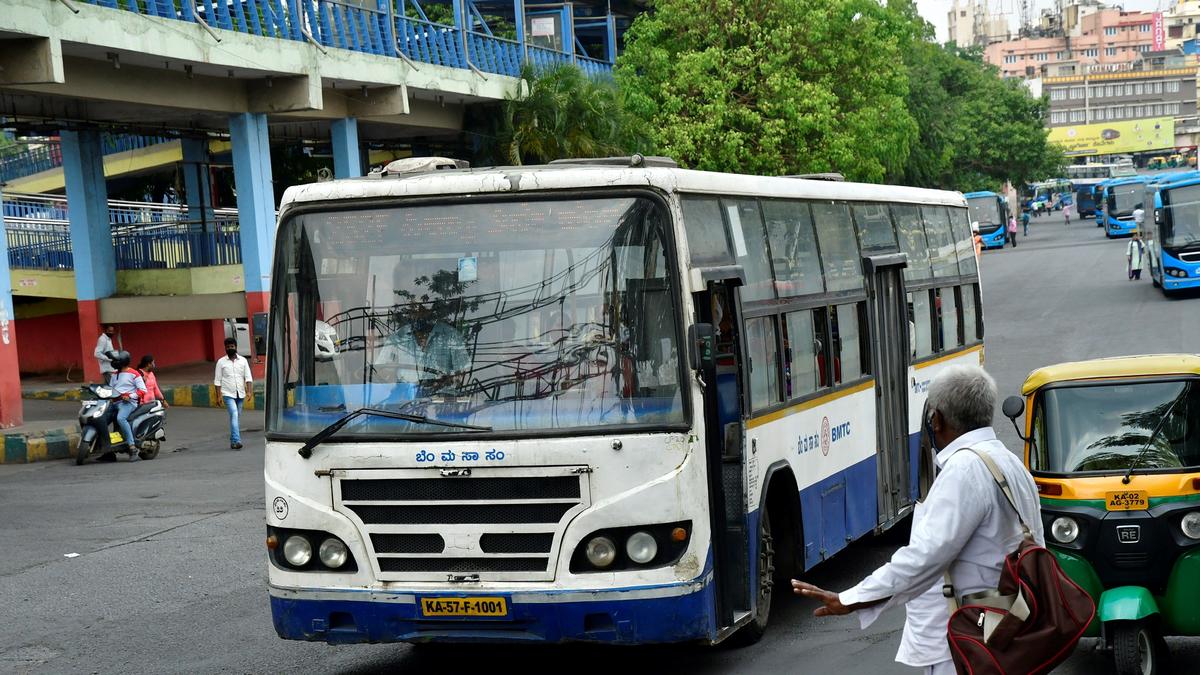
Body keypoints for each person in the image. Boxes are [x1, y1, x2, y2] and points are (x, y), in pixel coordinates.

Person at [792, 364, 1043, 675]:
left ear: (935, 419)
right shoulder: (1011, 463)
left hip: (967, 643)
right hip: (1007, 631)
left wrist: (852, 598)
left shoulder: (964, 471)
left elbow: (924, 559)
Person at [375, 310, 470, 391]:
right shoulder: (398, 337)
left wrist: (446, 384)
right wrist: (390, 377)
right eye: (415, 308)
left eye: (423, 309)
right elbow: (381, 370)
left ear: (434, 312)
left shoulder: (451, 336)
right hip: (402, 399)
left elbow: (462, 375)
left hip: (441, 399)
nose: (420, 314)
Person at [214, 337, 253, 450]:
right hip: (227, 393)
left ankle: (233, 440)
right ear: (225, 348)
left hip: (240, 393)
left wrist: (249, 391)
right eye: (228, 347)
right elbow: (217, 380)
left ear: (235, 347)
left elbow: (248, 377)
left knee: (235, 417)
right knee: (234, 414)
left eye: (232, 346)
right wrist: (219, 395)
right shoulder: (221, 362)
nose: (230, 348)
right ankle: (237, 440)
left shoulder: (243, 361)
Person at [109, 351, 147, 462]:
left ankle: (132, 447)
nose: (115, 363)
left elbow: (143, 390)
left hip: (128, 403)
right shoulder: (114, 374)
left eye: (117, 361)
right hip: (114, 403)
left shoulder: (134, 374)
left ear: (123, 362)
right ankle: (107, 450)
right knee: (101, 418)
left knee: (121, 418)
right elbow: (110, 388)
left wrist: (130, 396)